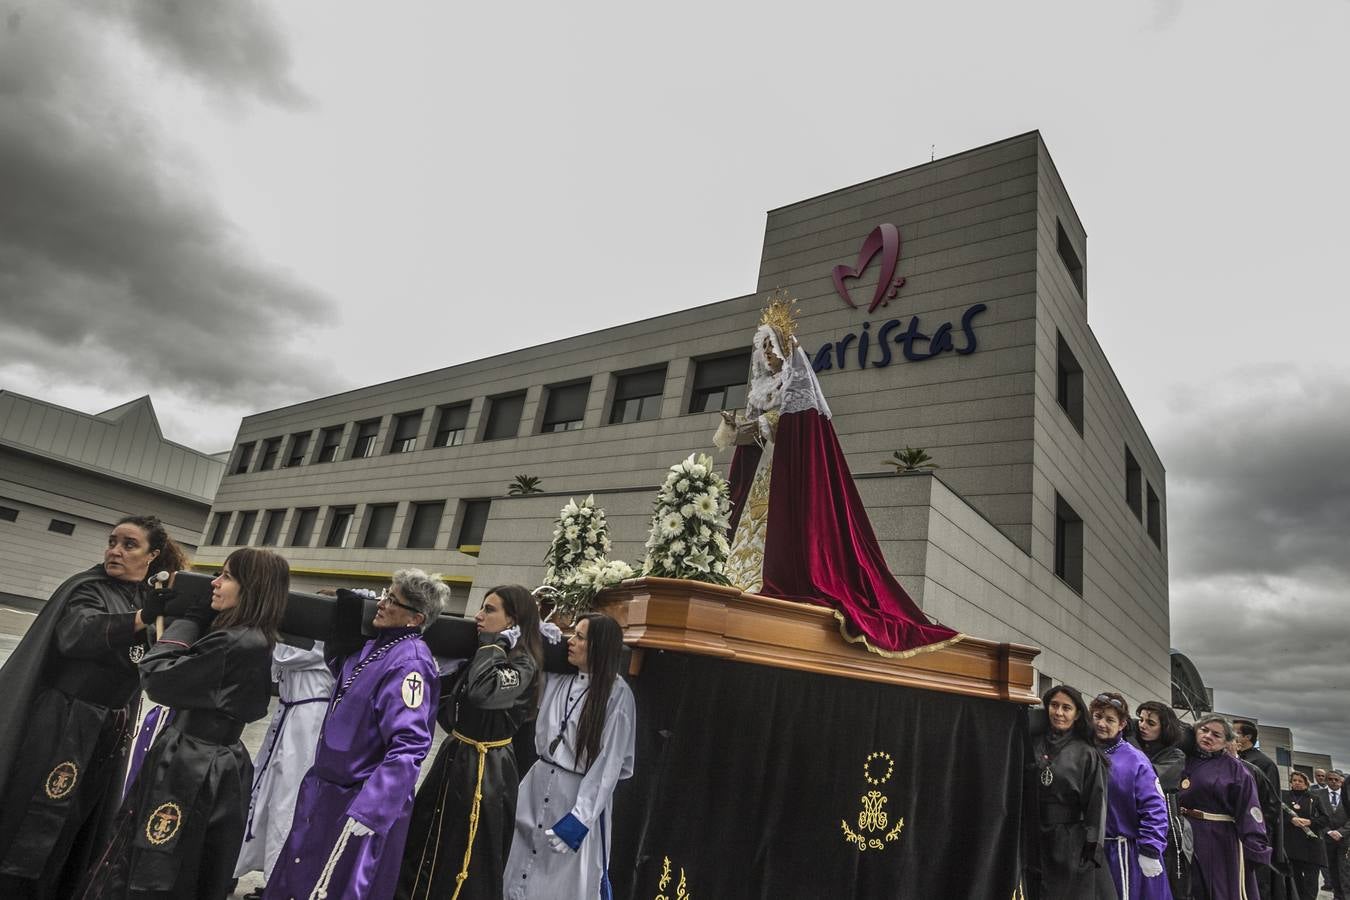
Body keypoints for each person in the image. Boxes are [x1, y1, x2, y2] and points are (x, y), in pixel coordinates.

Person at [715, 294, 960, 657]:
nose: (767, 353)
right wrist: (740, 428)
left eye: (773, 345)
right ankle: (740, 577)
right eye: (763, 346)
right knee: (748, 530)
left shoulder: (796, 382)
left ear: (786, 347)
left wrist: (765, 423)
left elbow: (799, 426)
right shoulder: (762, 389)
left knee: (781, 530)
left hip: (787, 471)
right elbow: (757, 434)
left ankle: (769, 579)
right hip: (763, 472)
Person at [79, 546, 286, 899]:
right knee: (188, 860)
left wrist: (191, 619)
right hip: (215, 756)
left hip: (192, 762)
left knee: (155, 859)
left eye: (227, 576)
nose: (215, 584)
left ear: (251, 587)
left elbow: (156, 675)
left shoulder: (234, 640)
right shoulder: (253, 636)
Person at [0, 515, 186, 899]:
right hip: (65, 722)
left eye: (129, 545)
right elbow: (76, 634)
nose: (115, 551)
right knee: (36, 818)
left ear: (152, 555)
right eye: (112, 541)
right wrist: (140, 619)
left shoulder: (150, 601)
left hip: (108, 730)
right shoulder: (89, 589)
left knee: (76, 823)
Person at [264, 572, 444, 900]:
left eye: (392, 600)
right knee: (302, 879)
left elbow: (411, 744)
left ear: (415, 618)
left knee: (337, 886)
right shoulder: (376, 646)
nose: (382, 603)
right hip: (327, 792)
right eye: (385, 595)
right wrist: (344, 622)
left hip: (360, 801)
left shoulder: (411, 664)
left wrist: (372, 810)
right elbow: (346, 676)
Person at [396, 585, 544, 900]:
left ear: (513, 620)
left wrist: (493, 646)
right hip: (455, 757)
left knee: (465, 855)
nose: (478, 616)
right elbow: (451, 714)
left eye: (489, 610)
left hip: (486, 772)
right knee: (426, 838)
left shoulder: (523, 663)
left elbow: (482, 693)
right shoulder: (485, 652)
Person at [504, 613, 636, 899]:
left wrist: (580, 818)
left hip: (575, 795)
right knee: (518, 862)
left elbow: (609, 764)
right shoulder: (559, 677)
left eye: (579, 637)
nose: (570, 642)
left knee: (563, 880)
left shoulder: (617, 694)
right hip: (537, 784)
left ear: (599, 645)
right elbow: (528, 665)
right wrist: (530, 634)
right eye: (571, 634)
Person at [232, 638, 336, 897]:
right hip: (289, 714)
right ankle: (266, 873)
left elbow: (284, 657)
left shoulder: (326, 643)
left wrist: (273, 631)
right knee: (266, 791)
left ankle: (280, 883)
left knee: (288, 800)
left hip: (307, 722)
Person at [1024, 684, 1114, 900]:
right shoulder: (1033, 744)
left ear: (1077, 714)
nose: (1059, 713)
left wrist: (1092, 847)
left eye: (1066, 708)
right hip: (1033, 834)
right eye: (1054, 706)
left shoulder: (1087, 753)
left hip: (1069, 841)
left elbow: (1096, 803)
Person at [1178, 714, 1270, 900]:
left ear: (1227, 741)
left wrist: (1256, 848)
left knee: (1214, 890)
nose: (1208, 736)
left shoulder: (1237, 771)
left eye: (1216, 735)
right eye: (1204, 730)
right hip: (1180, 833)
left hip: (1217, 840)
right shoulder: (1182, 759)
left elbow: (1249, 810)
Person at [1089, 692, 1171, 899]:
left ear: (1123, 724)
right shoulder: (1083, 750)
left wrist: (1151, 848)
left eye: (1110, 719)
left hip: (1123, 853)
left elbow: (1154, 807)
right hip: (1090, 850)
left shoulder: (1135, 760)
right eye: (1097, 716)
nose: (1102, 724)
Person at [1132, 701, 1194, 900]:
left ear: (1164, 728)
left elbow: (1147, 777)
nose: (1143, 725)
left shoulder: (1175, 756)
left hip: (1163, 830)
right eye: (1140, 720)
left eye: (1150, 723)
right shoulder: (1137, 745)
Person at [1282, 770, 1329, 900]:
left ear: (1306, 783)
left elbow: (1325, 819)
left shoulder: (1314, 798)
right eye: (1294, 780)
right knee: (1294, 880)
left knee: (1311, 881)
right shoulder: (1283, 796)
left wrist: (1310, 822)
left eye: (1300, 781)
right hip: (1291, 846)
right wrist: (1291, 820)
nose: (1297, 783)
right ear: (1291, 782)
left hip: (1311, 846)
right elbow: (1277, 815)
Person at [1324, 770, 1350, 900]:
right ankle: (1337, 896)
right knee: (1332, 870)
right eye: (1330, 779)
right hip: (1328, 839)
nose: (1333, 782)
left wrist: (1341, 832)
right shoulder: (1318, 795)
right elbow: (1316, 816)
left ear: (1341, 781)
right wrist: (1329, 831)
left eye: (1336, 779)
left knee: (1345, 870)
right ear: (1326, 780)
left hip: (1346, 839)